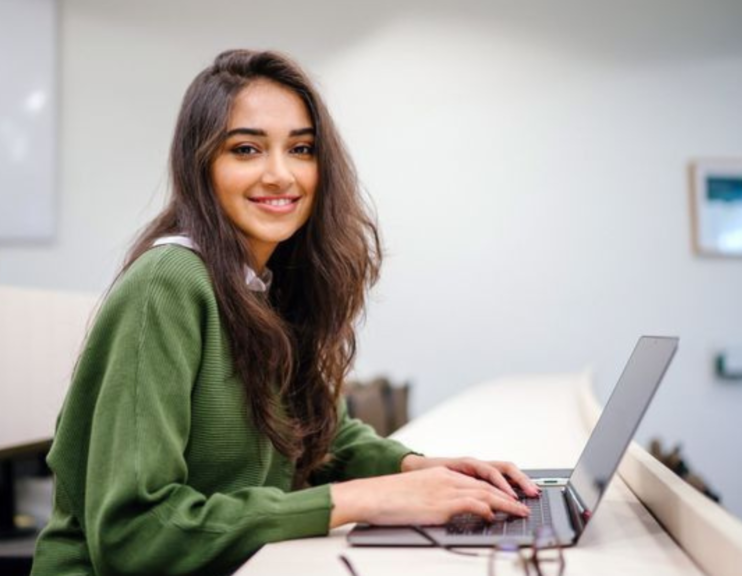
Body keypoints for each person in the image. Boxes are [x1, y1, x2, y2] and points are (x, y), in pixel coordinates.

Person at [30, 49, 540, 576]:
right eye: (247, 149)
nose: (280, 174)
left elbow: (321, 433)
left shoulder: (267, 282)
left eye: (301, 149)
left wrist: (416, 468)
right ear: (200, 165)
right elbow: (135, 535)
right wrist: (365, 500)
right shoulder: (169, 284)